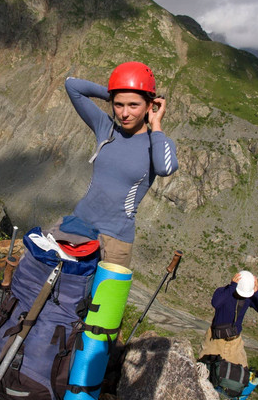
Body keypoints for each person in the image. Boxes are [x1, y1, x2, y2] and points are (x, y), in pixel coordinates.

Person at [64, 61, 178, 268]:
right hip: (78, 224)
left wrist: (157, 124)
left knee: (106, 301)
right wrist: (114, 92)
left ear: (149, 106)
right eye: (119, 105)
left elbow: (165, 168)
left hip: (115, 242)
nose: (124, 113)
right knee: (58, 293)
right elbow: (72, 85)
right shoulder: (106, 128)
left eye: (134, 105)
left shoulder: (159, 142)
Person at [199, 271, 258, 368]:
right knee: (205, 370)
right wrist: (231, 287)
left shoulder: (249, 297)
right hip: (214, 340)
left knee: (238, 377)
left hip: (234, 343)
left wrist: (257, 293)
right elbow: (216, 303)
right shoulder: (224, 291)